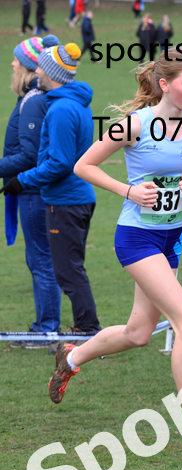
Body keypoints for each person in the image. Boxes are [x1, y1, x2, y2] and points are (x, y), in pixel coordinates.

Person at [65, 50, 182, 453]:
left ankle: (69, 359)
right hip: (136, 237)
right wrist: (129, 190)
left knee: (138, 333)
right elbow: (83, 166)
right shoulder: (135, 124)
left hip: (172, 236)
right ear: (164, 85)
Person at [3, 43, 102, 339]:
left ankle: (87, 330)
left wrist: (22, 180)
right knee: (69, 270)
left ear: (53, 73)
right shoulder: (73, 103)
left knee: (69, 272)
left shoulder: (61, 109)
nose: (38, 71)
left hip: (66, 200)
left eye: (42, 67)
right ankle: (85, 328)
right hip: (75, 197)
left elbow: (59, 163)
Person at [1, 35, 61, 350]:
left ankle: (47, 330)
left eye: (16, 59)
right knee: (38, 259)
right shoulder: (32, 97)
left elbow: (30, 155)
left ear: (28, 65)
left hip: (34, 191)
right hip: (30, 189)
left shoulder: (34, 100)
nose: (12, 63)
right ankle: (43, 326)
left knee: (41, 260)